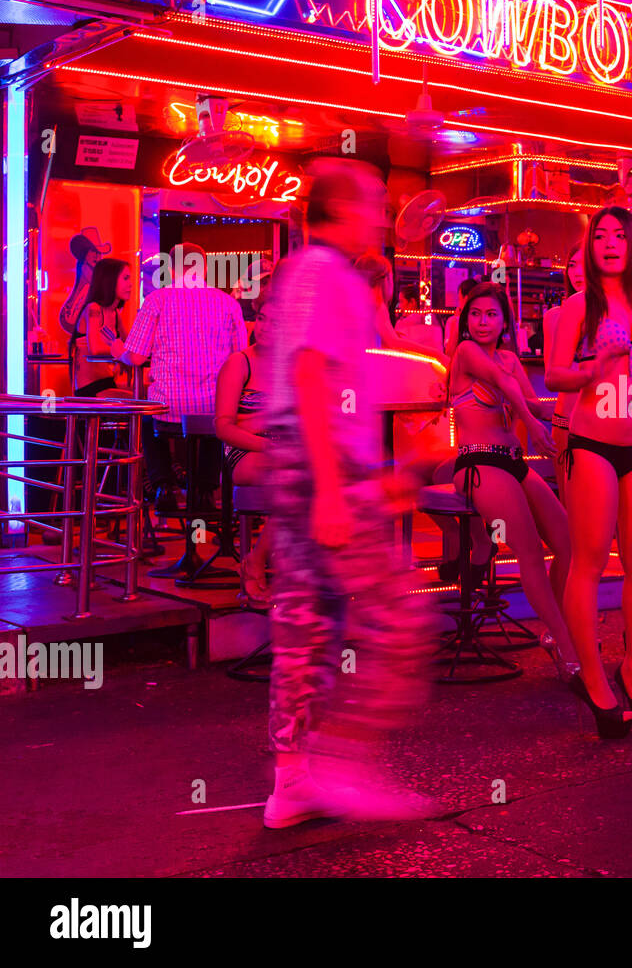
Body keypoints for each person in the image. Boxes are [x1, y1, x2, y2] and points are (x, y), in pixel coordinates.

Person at [260, 159, 441, 827]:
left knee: (304, 627)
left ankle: (294, 780)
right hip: (321, 464)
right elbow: (310, 372)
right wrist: (337, 488)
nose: (382, 215)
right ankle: (346, 762)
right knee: (399, 616)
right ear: (338, 209)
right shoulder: (323, 272)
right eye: (373, 203)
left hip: (307, 461)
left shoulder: (314, 274)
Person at [546, 205, 632, 738]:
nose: (608, 243)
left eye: (618, 235)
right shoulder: (579, 305)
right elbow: (557, 374)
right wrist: (595, 370)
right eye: (600, 236)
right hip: (592, 444)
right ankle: (594, 682)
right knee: (588, 561)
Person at [448, 282, 579, 683]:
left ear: (505, 320)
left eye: (491, 314)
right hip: (478, 463)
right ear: (466, 320)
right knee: (529, 554)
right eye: (475, 314)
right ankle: (571, 650)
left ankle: (557, 630)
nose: (482, 321)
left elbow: (534, 400)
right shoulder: (466, 352)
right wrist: (531, 424)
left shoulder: (508, 357)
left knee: (568, 544)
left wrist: (582, 398)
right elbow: (507, 389)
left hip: (513, 462)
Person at [116, 243, 249, 511]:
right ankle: (206, 490)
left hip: (169, 410)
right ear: (204, 268)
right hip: (212, 412)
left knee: (148, 417)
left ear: (172, 268)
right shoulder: (228, 303)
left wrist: (118, 351)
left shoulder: (156, 300)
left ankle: (164, 486)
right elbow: (241, 359)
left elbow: (137, 358)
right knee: (218, 417)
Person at [214, 297, 275, 606]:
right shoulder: (239, 362)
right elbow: (224, 427)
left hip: (282, 448)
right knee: (294, 474)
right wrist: (264, 440)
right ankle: (257, 559)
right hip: (244, 450)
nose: (265, 327)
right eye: (262, 318)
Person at [543, 245, 586, 505]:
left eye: (583, 264)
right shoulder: (554, 317)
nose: (577, 272)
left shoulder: (613, 313)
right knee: (571, 505)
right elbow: (552, 375)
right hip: (566, 420)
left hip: (605, 419)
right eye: (572, 265)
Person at [72, 258, 133, 398]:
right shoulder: (93, 309)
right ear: (109, 281)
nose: (130, 284)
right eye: (125, 278)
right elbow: (95, 348)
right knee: (142, 401)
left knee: (147, 396)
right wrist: (123, 353)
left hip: (107, 382)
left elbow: (130, 344)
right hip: (89, 388)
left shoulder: (116, 313)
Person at [394, 284, 447, 361]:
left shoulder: (403, 324)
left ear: (412, 302)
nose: (399, 306)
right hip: (437, 368)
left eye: (401, 301)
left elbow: (397, 351)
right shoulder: (437, 320)